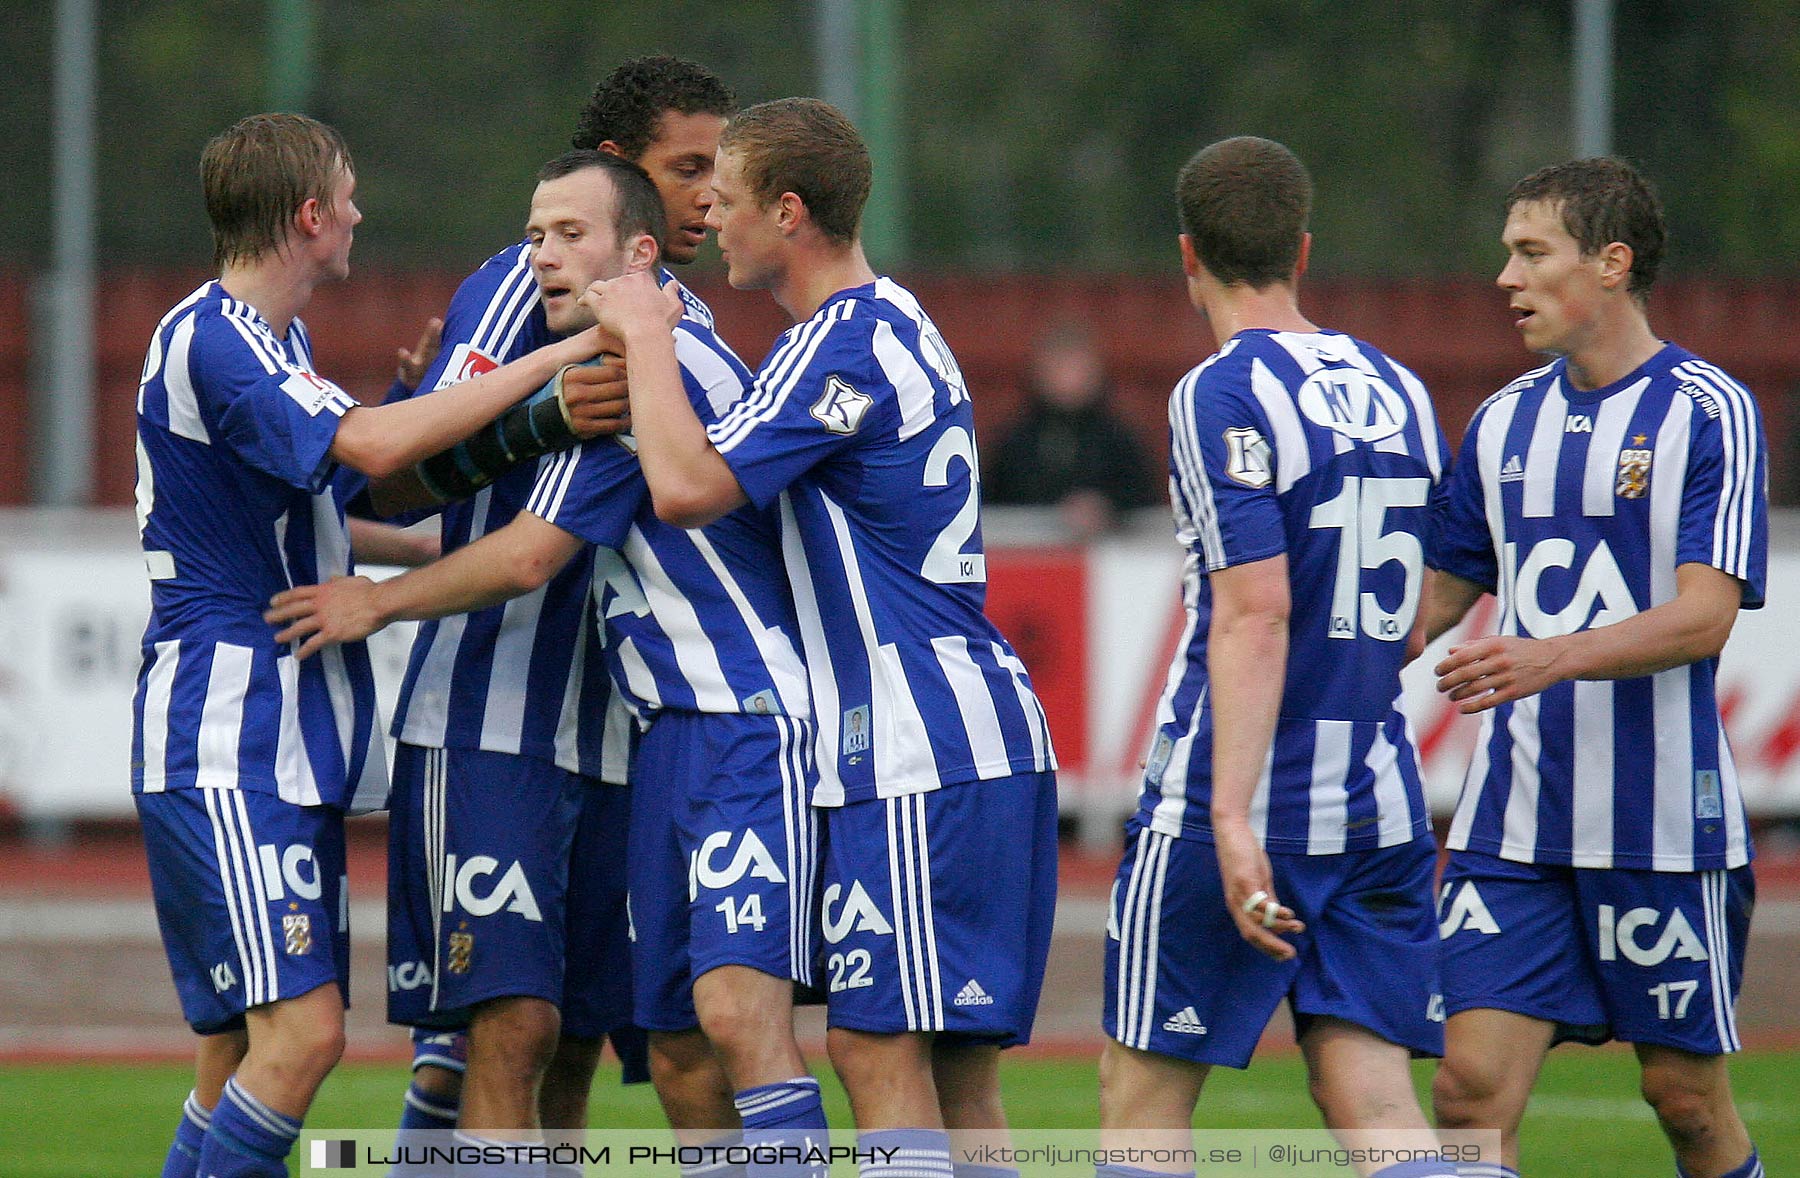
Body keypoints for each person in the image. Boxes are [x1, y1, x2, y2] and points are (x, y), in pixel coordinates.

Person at [269, 146, 830, 1178]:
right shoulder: (625, 339)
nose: (543, 257)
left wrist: (374, 602)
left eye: (571, 235)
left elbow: (527, 551)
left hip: (730, 724)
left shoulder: (637, 364)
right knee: (628, 1042)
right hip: (631, 732)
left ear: (642, 248)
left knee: (712, 1030)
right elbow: (414, 491)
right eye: (536, 236)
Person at [584, 97, 1059, 1178]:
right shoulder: (896, 320)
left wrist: (649, 333)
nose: (713, 213)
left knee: (872, 1043)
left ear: (789, 213)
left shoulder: (838, 339)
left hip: (913, 740)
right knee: (956, 1077)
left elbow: (689, 482)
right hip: (967, 730)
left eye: (732, 197)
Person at [134, 112, 612, 1178]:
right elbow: (375, 447)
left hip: (280, 730)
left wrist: (418, 469)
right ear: (308, 216)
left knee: (232, 1055)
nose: (357, 214)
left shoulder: (273, 341)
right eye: (344, 196)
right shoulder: (216, 335)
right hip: (229, 728)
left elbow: (337, 503)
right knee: (302, 1037)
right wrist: (569, 351)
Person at [1092, 136, 1456, 1178]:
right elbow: (1414, 619)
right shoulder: (1402, 388)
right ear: (1303, 249)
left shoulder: (1220, 392)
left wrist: (1228, 813)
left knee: (1142, 1101)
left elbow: (1255, 613)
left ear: (1187, 255)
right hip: (1379, 796)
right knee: (1373, 1096)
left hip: (1242, 790)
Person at [1418, 158, 1767, 1178]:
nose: (1506, 277)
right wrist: (1294, 650)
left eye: (1532, 252)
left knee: (1686, 1100)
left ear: (1611, 263)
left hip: (1660, 824)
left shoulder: (1709, 410)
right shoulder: (1500, 421)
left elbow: (1705, 616)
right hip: (1515, 822)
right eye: (1506, 252)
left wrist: (1548, 655)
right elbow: (1432, 603)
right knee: (1467, 1087)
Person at [983, 318, 1158, 538]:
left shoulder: (1119, 440)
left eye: (1075, 366)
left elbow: (1144, 498)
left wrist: (1107, 508)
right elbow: (993, 504)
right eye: (1059, 366)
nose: (1067, 377)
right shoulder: (1014, 441)